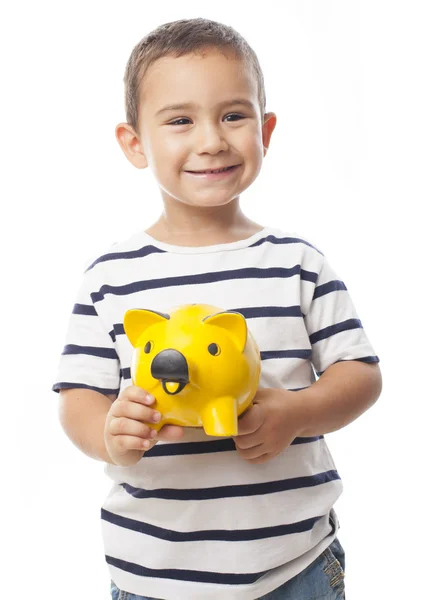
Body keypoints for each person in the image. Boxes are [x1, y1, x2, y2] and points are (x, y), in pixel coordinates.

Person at [53, 17, 382, 600]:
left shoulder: (297, 264)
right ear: (135, 143)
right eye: (180, 120)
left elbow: (361, 375)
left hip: (294, 565)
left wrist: (296, 413)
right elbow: (79, 395)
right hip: (154, 575)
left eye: (234, 115)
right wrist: (110, 435)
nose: (211, 140)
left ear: (266, 129)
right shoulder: (111, 276)